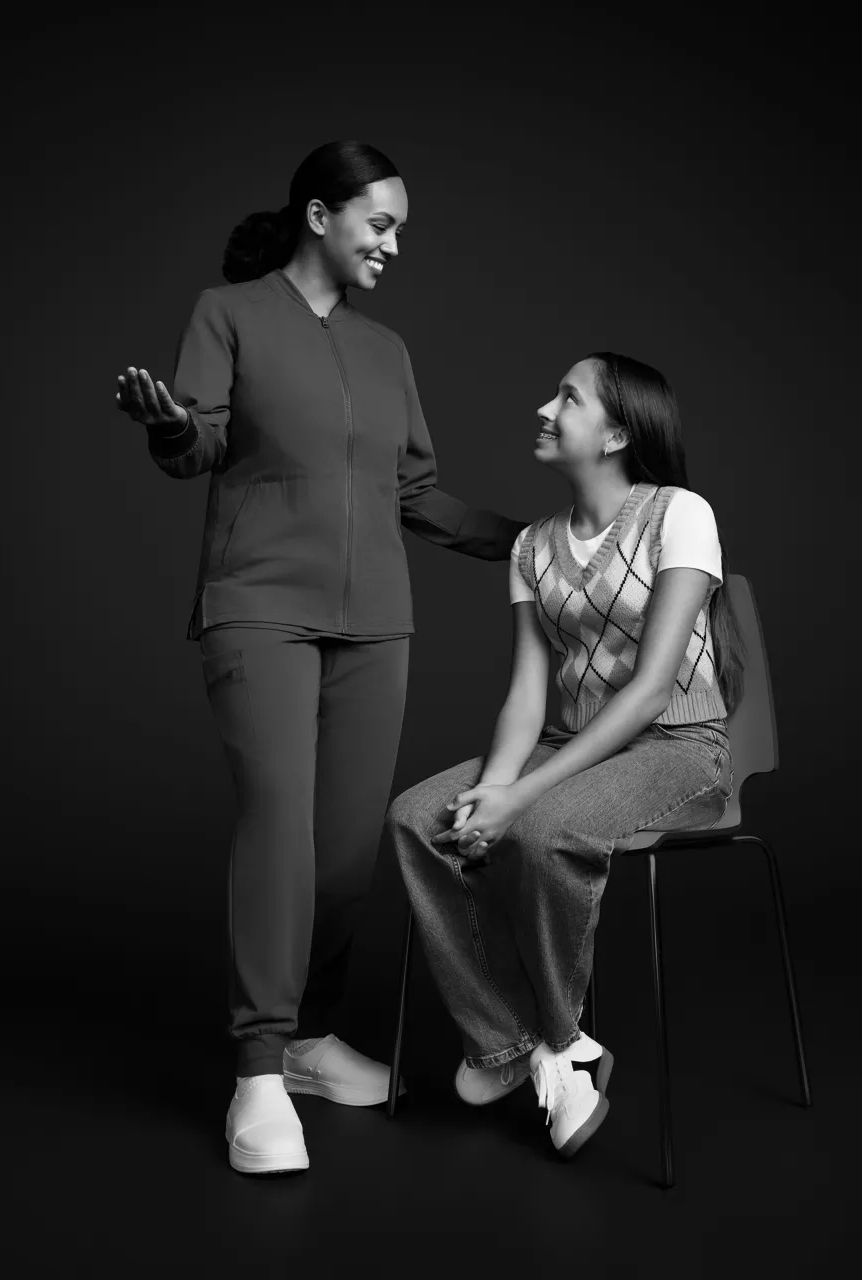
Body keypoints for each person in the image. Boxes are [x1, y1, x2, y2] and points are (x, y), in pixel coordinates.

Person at [114, 140, 525, 1175]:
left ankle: (307, 1039)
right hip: (260, 612)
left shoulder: (387, 349)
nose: (393, 244)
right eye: (379, 223)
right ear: (318, 215)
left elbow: (415, 493)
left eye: (399, 229)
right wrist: (169, 428)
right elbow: (201, 444)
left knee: (343, 854)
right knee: (279, 835)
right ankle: (257, 1071)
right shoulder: (229, 312)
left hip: (375, 624)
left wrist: (534, 538)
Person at [384, 351, 745, 1160]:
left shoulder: (679, 514)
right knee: (418, 818)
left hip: (680, 745)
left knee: (544, 829)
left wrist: (519, 800)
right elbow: (525, 696)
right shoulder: (531, 547)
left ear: (616, 434)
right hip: (575, 744)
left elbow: (651, 691)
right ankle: (530, 1046)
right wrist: (495, 790)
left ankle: (555, 1044)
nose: (545, 410)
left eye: (569, 399)